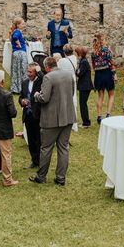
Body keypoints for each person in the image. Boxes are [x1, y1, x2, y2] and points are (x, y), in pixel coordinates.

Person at [30, 57, 76, 186]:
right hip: (68, 116)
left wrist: (36, 95)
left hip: (51, 119)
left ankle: (41, 176)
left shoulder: (48, 77)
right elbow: (71, 93)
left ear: (46, 67)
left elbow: (44, 98)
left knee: (46, 148)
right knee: (63, 148)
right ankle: (61, 178)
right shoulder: (68, 74)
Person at [19, 63, 43, 168]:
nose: (28, 74)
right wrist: (22, 101)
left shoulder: (41, 81)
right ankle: (34, 161)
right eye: (27, 71)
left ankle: (41, 161)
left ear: (36, 72)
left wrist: (38, 69)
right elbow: (21, 96)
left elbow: (43, 76)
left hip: (38, 115)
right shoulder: (24, 83)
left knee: (39, 139)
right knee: (31, 140)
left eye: (31, 72)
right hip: (28, 115)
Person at [91, 33, 115, 124]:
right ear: (102, 40)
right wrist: (114, 73)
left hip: (98, 74)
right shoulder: (107, 50)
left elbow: (93, 65)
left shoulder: (93, 52)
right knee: (111, 95)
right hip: (107, 73)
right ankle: (108, 114)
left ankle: (99, 116)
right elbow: (111, 63)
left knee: (100, 96)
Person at [7, 17, 27, 93]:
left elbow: (11, 39)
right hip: (20, 52)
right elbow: (15, 38)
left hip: (16, 53)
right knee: (22, 70)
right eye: (22, 24)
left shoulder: (14, 31)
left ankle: (16, 88)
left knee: (16, 70)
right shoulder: (17, 31)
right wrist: (18, 44)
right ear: (18, 25)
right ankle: (22, 88)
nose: (23, 25)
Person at [75, 46, 93, 128]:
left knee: (83, 104)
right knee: (83, 104)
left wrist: (76, 69)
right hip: (85, 86)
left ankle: (86, 123)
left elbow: (79, 73)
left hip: (84, 86)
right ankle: (86, 122)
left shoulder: (83, 62)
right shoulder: (84, 61)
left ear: (80, 54)